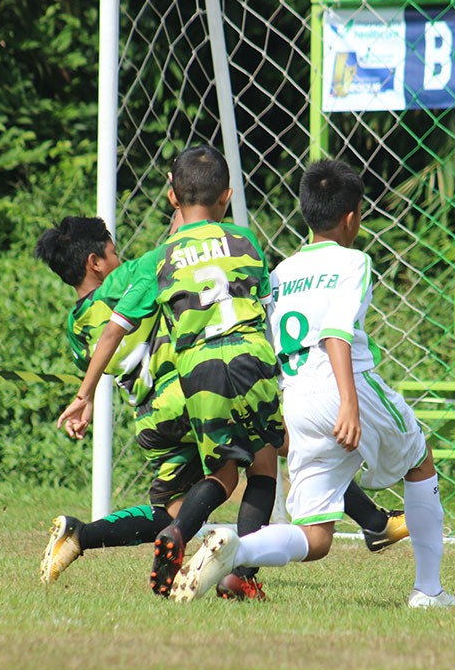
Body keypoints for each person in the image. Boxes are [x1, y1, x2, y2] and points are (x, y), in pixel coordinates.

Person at [39, 215, 408, 593]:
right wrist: (181, 204)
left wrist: (83, 397)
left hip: (152, 419)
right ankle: (245, 573)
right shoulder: (136, 274)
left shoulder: (76, 326)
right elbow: (177, 249)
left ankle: (81, 535)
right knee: (273, 455)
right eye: (113, 253)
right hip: (195, 394)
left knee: (174, 510)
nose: (119, 259)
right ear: (94, 262)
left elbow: (100, 355)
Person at [170, 159, 455, 608]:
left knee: (317, 538)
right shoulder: (354, 261)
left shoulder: (281, 273)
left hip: (295, 396)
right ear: (353, 217)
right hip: (343, 386)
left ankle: (237, 548)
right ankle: (429, 590)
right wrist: (348, 403)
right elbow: (336, 332)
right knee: (420, 461)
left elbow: (266, 343)